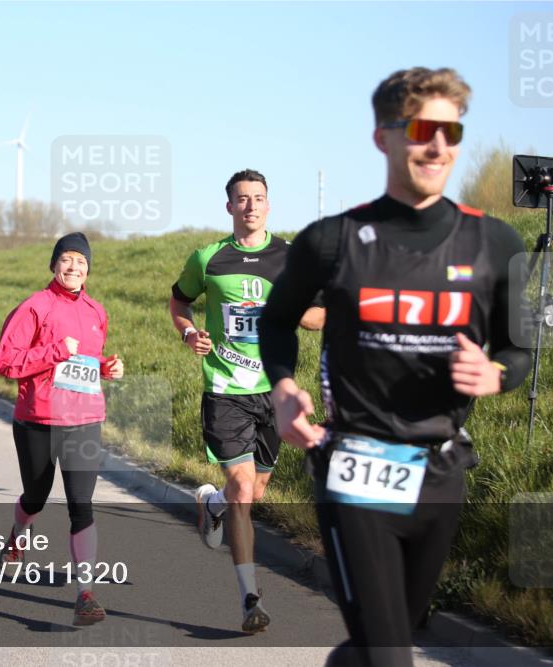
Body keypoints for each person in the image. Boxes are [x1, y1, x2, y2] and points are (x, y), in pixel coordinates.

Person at [258, 67, 532, 667]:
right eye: (422, 128)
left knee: (390, 636)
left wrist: (498, 375)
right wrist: (283, 388)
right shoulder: (331, 240)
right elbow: (275, 320)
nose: (438, 146)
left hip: (441, 471)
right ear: (383, 136)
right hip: (354, 463)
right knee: (388, 654)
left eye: (452, 132)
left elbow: (523, 350)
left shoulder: (496, 244)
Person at [169, 169, 324, 634]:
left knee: (253, 493)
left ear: (269, 205)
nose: (251, 205)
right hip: (225, 390)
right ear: (230, 207)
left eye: (258, 198)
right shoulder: (209, 258)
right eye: (242, 199)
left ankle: (211, 504)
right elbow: (179, 304)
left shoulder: (291, 257)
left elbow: (317, 315)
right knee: (242, 490)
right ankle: (249, 599)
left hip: (272, 391)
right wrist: (190, 332)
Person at [0, 232, 124, 627]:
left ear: (89, 269)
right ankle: (18, 532)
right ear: (54, 265)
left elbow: (83, 361)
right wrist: (54, 351)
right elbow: (6, 361)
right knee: (35, 496)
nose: (74, 268)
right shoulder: (35, 307)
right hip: (37, 419)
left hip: (84, 419)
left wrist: (105, 367)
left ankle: (85, 594)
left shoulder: (96, 311)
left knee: (81, 504)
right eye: (67, 260)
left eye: (81, 262)